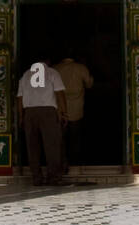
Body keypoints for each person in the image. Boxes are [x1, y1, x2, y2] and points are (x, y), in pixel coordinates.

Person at [16, 58, 66, 186]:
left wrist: (22, 116)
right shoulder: (52, 72)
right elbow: (59, 93)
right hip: (48, 112)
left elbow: (20, 98)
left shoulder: (26, 75)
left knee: (32, 146)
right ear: (47, 62)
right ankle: (53, 177)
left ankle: (37, 178)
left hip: (30, 112)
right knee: (52, 145)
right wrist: (63, 112)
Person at [53, 55, 93, 171]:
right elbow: (89, 84)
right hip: (76, 109)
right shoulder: (81, 68)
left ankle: (62, 162)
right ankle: (75, 163)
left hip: (60, 110)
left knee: (61, 138)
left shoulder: (55, 69)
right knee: (75, 137)